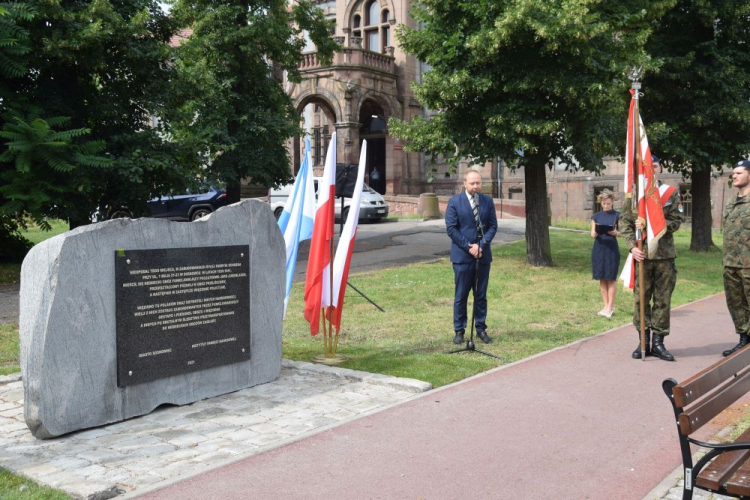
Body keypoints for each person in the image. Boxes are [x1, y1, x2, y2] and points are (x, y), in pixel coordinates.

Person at [620, 155, 684, 361]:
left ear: (660, 168)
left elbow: (676, 221)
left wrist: (651, 223)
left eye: (654, 166)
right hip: (642, 257)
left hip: (664, 256)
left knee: (663, 300)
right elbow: (625, 224)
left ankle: (658, 343)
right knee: (641, 300)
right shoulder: (633, 196)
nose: (650, 169)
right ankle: (643, 343)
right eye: (647, 166)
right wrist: (631, 247)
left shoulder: (670, 194)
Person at [445, 169, 498, 344]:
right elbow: (451, 229)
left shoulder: (487, 202)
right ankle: (459, 330)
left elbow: (492, 226)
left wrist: (481, 246)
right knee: (461, 295)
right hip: (462, 256)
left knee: (480, 294)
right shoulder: (454, 202)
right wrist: (469, 247)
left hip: (482, 256)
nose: (476, 186)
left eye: (478, 183)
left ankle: (481, 328)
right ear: (465, 184)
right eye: (472, 183)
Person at [721, 160, 750, 356]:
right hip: (731, 264)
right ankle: (744, 339)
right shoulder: (731, 203)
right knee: (735, 303)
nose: (734, 176)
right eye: (733, 173)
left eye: (739, 173)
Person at [590, 189, 621, 318]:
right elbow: (592, 233)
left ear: (612, 202)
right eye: (604, 203)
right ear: (601, 203)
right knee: (602, 277)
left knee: (611, 278)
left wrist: (616, 233)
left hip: (612, 248)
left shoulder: (617, 215)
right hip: (598, 248)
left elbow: (622, 232)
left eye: (608, 203)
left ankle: (610, 307)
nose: (606, 205)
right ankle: (606, 306)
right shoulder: (595, 216)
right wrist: (595, 233)